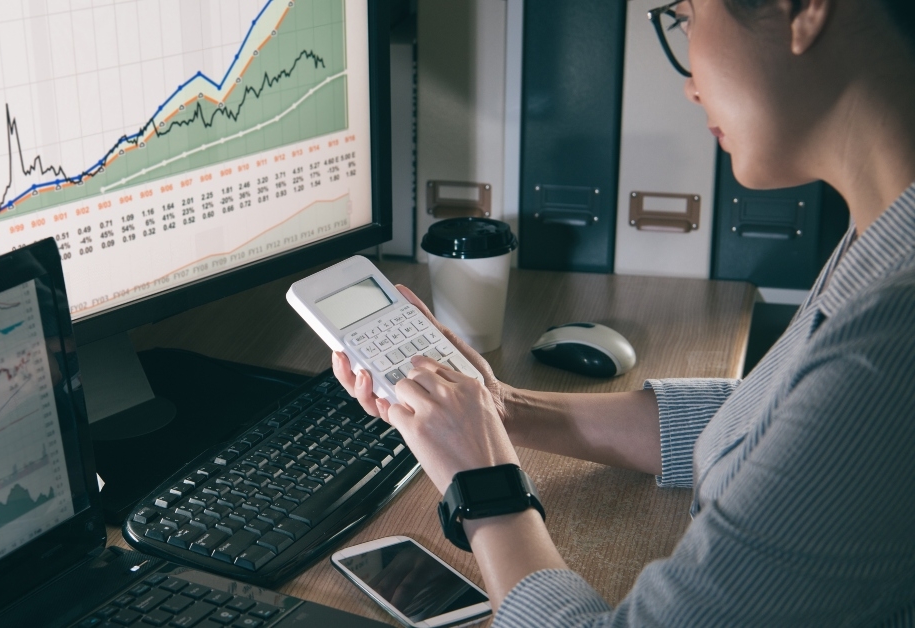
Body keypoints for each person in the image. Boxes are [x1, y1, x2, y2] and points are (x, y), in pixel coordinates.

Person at [332, 0, 915, 624]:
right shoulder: (882, 239)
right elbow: (784, 424)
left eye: (688, 15)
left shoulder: (890, 337)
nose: (690, 84)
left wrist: (485, 486)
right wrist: (502, 406)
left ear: (800, 9)